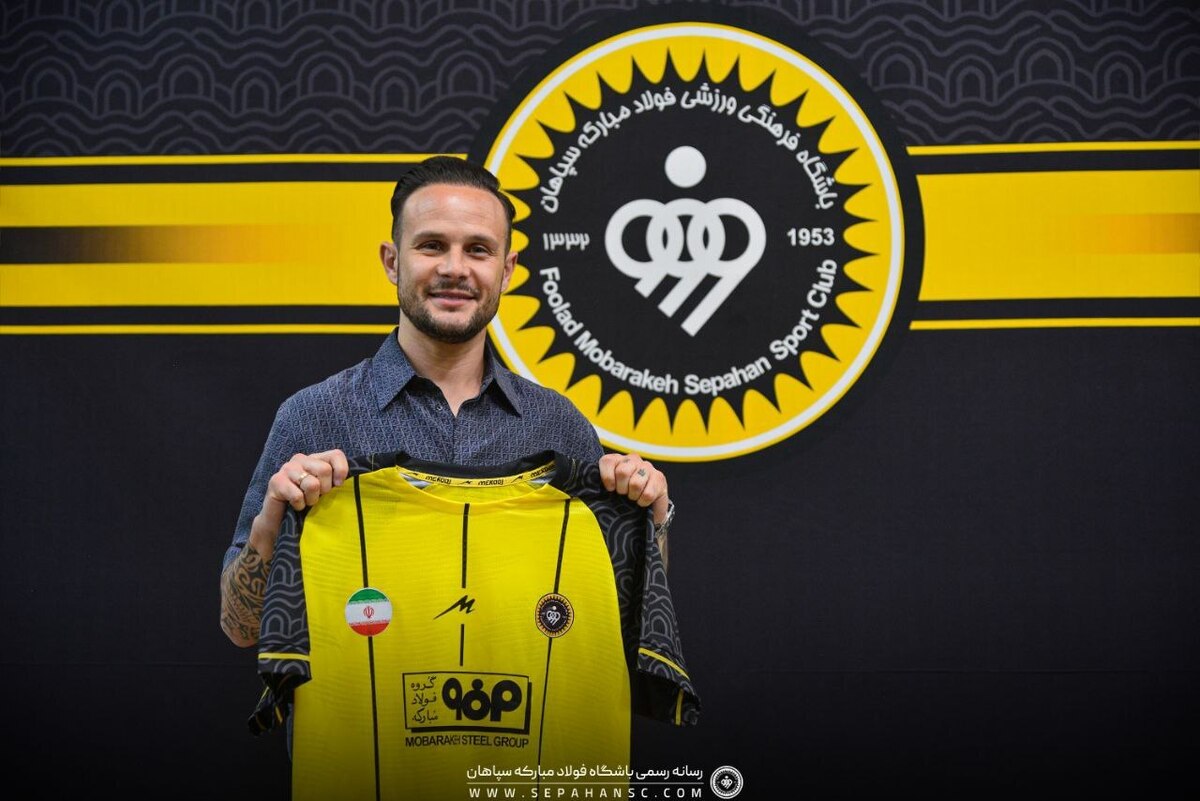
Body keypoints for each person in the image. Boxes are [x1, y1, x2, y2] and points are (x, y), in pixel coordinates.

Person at [220, 154, 675, 649]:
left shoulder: (559, 427)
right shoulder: (314, 417)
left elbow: (619, 617)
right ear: (392, 261)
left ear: (506, 270)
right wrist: (272, 520)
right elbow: (241, 627)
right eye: (432, 245)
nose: (455, 269)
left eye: (478, 250)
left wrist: (651, 519)